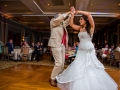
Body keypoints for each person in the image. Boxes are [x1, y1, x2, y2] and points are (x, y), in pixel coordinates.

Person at [56, 7, 118, 90]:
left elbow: (89, 14)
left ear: (85, 20)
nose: (79, 21)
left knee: (90, 66)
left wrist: (78, 11)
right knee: (78, 65)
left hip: (89, 50)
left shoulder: (91, 27)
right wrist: (72, 14)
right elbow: (71, 25)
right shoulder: (80, 28)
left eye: (81, 19)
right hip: (81, 50)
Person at [48, 7, 74, 87]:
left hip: (62, 45)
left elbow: (68, 22)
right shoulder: (53, 22)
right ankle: (52, 78)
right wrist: (68, 12)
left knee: (62, 64)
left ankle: (58, 77)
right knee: (58, 63)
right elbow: (60, 18)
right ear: (56, 17)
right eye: (60, 16)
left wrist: (71, 14)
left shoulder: (62, 24)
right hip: (55, 44)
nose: (61, 18)